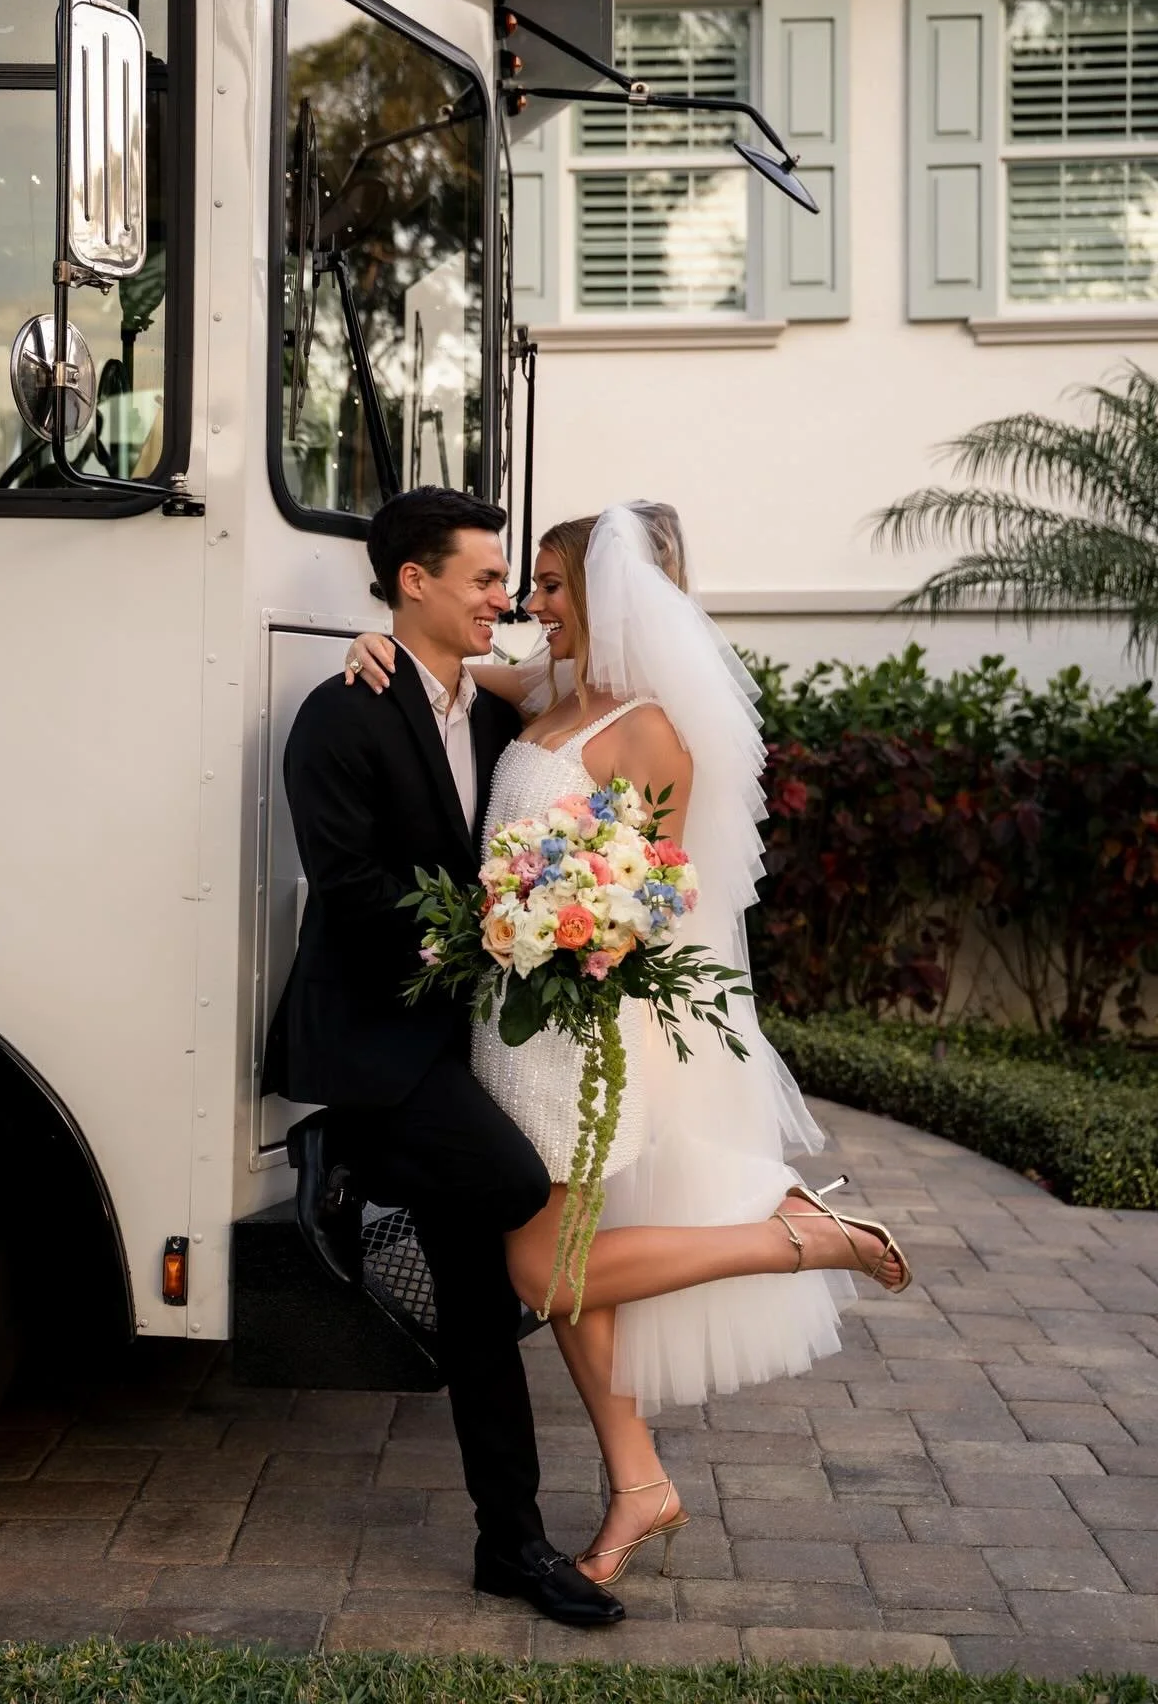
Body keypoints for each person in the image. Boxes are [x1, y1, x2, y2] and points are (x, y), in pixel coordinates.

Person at [343, 501, 910, 1586]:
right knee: (568, 1266)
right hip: (506, 1021)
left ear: (609, 597)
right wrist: (367, 642)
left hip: (575, 1033)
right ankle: (638, 1481)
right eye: (529, 585)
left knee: (544, 1270)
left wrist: (563, 922)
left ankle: (798, 1238)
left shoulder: (649, 731)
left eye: (551, 586)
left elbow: (651, 896)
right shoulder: (547, 693)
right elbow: (436, 671)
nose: (531, 605)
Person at [262, 487, 624, 1628]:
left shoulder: (497, 715)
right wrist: (493, 929)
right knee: (513, 1185)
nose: (503, 599)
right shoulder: (338, 714)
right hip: (371, 1039)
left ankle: (511, 1546)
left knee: (476, 1300)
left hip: (457, 1043)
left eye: (509, 580)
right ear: (413, 581)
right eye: (483, 578)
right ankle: (347, 1151)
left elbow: (608, 690)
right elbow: (352, 887)